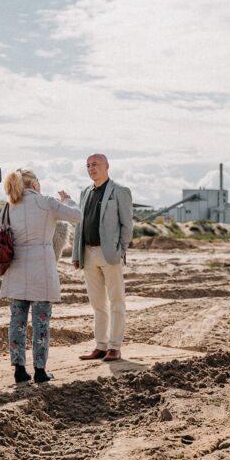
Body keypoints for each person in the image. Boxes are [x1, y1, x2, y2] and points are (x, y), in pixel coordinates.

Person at [1, 169, 82, 383]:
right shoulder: (46, 202)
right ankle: (40, 370)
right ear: (35, 184)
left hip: (16, 267)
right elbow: (77, 216)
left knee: (16, 321)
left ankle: (19, 369)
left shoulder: (10, 205)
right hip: (41, 269)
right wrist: (68, 200)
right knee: (41, 322)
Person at [70, 153, 133, 362]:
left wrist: (120, 250)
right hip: (88, 253)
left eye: (95, 164)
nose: (91, 168)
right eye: (88, 165)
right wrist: (76, 254)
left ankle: (115, 347)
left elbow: (127, 226)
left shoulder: (120, 191)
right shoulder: (85, 193)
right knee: (97, 304)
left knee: (116, 302)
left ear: (107, 166)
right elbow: (79, 224)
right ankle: (101, 346)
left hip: (110, 254)